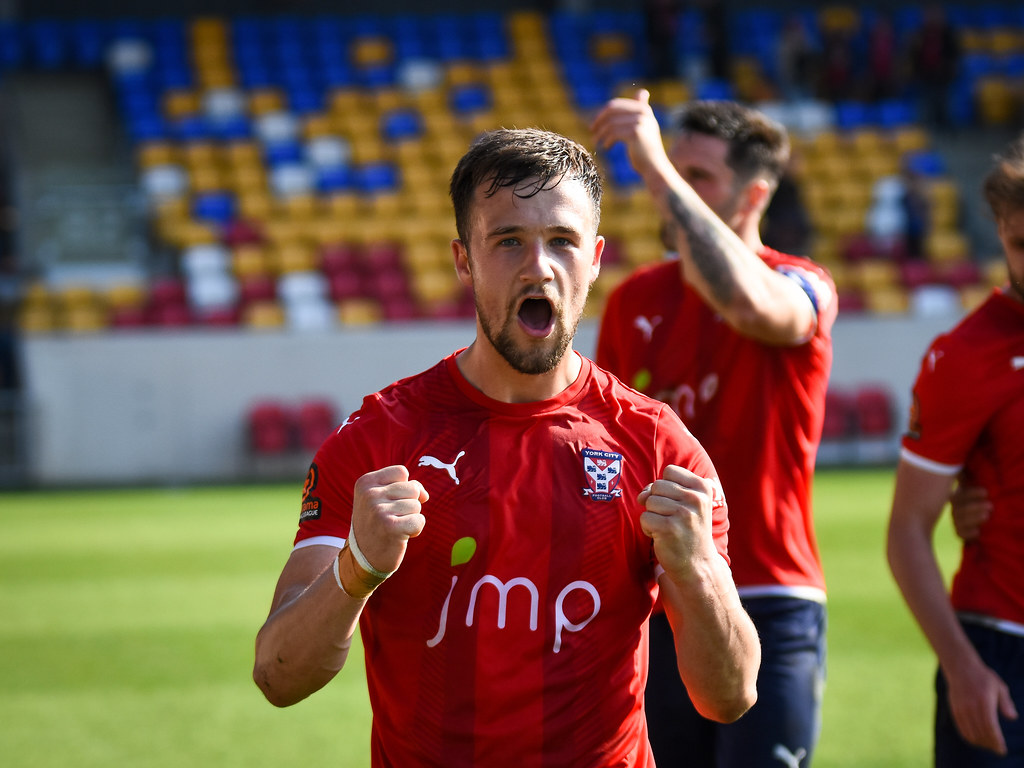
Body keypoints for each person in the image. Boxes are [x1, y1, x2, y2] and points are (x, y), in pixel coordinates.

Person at [253, 127, 760, 767]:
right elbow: (278, 675)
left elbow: (732, 695)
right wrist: (356, 569)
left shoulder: (658, 447)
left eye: (562, 242)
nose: (539, 266)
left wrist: (698, 572)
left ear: (596, 258)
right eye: (509, 240)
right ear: (464, 258)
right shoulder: (380, 441)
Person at [591, 92, 837, 766]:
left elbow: (745, 303)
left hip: (769, 591)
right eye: (677, 170)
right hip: (659, 600)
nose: (674, 190)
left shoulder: (800, 283)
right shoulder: (636, 299)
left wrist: (652, 166)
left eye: (699, 176)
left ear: (755, 194)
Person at [886, 135, 1024, 765]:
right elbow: (909, 530)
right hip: (1002, 653)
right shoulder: (966, 357)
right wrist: (963, 668)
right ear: (1000, 231)